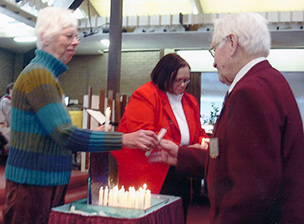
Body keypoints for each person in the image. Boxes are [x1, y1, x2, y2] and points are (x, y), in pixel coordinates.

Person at [2, 7, 158, 224]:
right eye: (68, 35)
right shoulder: (39, 75)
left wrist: (92, 134)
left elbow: (51, 136)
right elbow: (65, 135)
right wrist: (125, 139)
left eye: (76, 36)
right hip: (33, 185)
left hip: (41, 182)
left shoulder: (44, 74)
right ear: (46, 37)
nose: (75, 42)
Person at [149, 12, 304, 223]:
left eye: (214, 50)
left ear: (232, 43)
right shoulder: (269, 80)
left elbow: (249, 193)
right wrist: (181, 156)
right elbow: (235, 161)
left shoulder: (249, 92)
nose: (214, 63)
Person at [111, 53, 209, 220]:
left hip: (180, 168)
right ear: (165, 77)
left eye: (187, 81)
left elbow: (197, 132)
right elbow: (146, 134)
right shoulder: (145, 95)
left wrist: (203, 142)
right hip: (151, 170)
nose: (184, 85)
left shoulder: (190, 101)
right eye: (179, 80)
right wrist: (184, 150)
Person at [0, 82, 14, 158]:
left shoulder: (6, 100)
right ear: (10, 90)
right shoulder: (6, 101)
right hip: (4, 127)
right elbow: (10, 118)